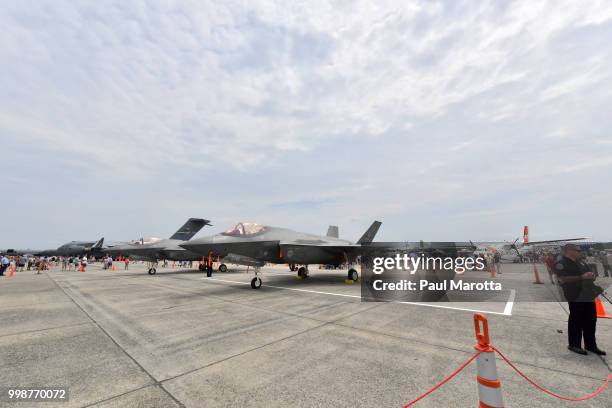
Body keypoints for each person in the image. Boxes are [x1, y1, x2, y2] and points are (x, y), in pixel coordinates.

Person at [555, 244, 606, 356]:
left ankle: (591, 345)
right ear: (569, 251)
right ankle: (574, 344)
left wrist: (592, 276)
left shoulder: (581, 262)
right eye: (577, 250)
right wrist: (582, 277)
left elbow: (591, 274)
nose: (580, 252)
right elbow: (562, 279)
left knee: (591, 320)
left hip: (587, 295)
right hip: (575, 295)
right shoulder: (562, 263)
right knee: (576, 320)